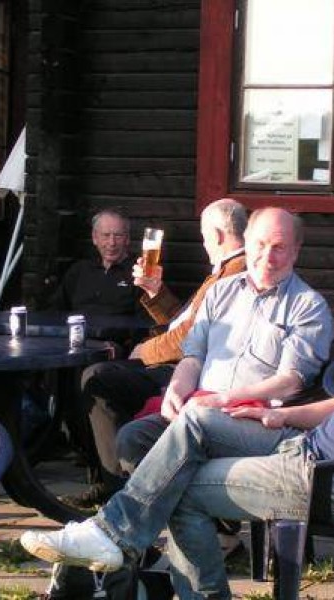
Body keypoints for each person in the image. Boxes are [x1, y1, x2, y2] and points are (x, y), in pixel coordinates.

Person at [19, 235, 334, 599]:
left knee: (180, 487)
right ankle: (112, 535)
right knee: (195, 419)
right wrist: (285, 416)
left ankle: (117, 539)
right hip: (305, 446)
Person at [114, 207, 332, 475]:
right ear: (247, 241)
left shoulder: (309, 306)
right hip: (198, 408)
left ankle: (142, 503)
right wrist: (176, 390)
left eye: (279, 247)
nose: (267, 257)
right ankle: (175, 501)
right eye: (260, 244)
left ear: (295, 251)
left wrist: (221, 400)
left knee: (192, 431)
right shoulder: (220, 291)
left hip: (254, 420)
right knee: (132, 438)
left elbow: (290, 381)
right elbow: (193, 357)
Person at [64, 198, 248, 509]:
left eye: (204, 236)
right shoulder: (225, 270)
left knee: (98, 379)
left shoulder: (233, 274)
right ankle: (120, 483)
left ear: (217, 235)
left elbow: (188, 338)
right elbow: (183, 321)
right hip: (184, 364)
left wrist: (142, 353)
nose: (204, 244)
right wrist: (155, 291)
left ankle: (123, 490)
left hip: (193, 372)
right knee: (98, 376)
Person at [48, 208, 143, 316]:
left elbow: (147, 321)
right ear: (95, 238)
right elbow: (55, 311)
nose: (112, 243)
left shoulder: (139, 274)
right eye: (106, 235)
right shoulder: (79, 271)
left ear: (127, 239)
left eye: (118, 235)